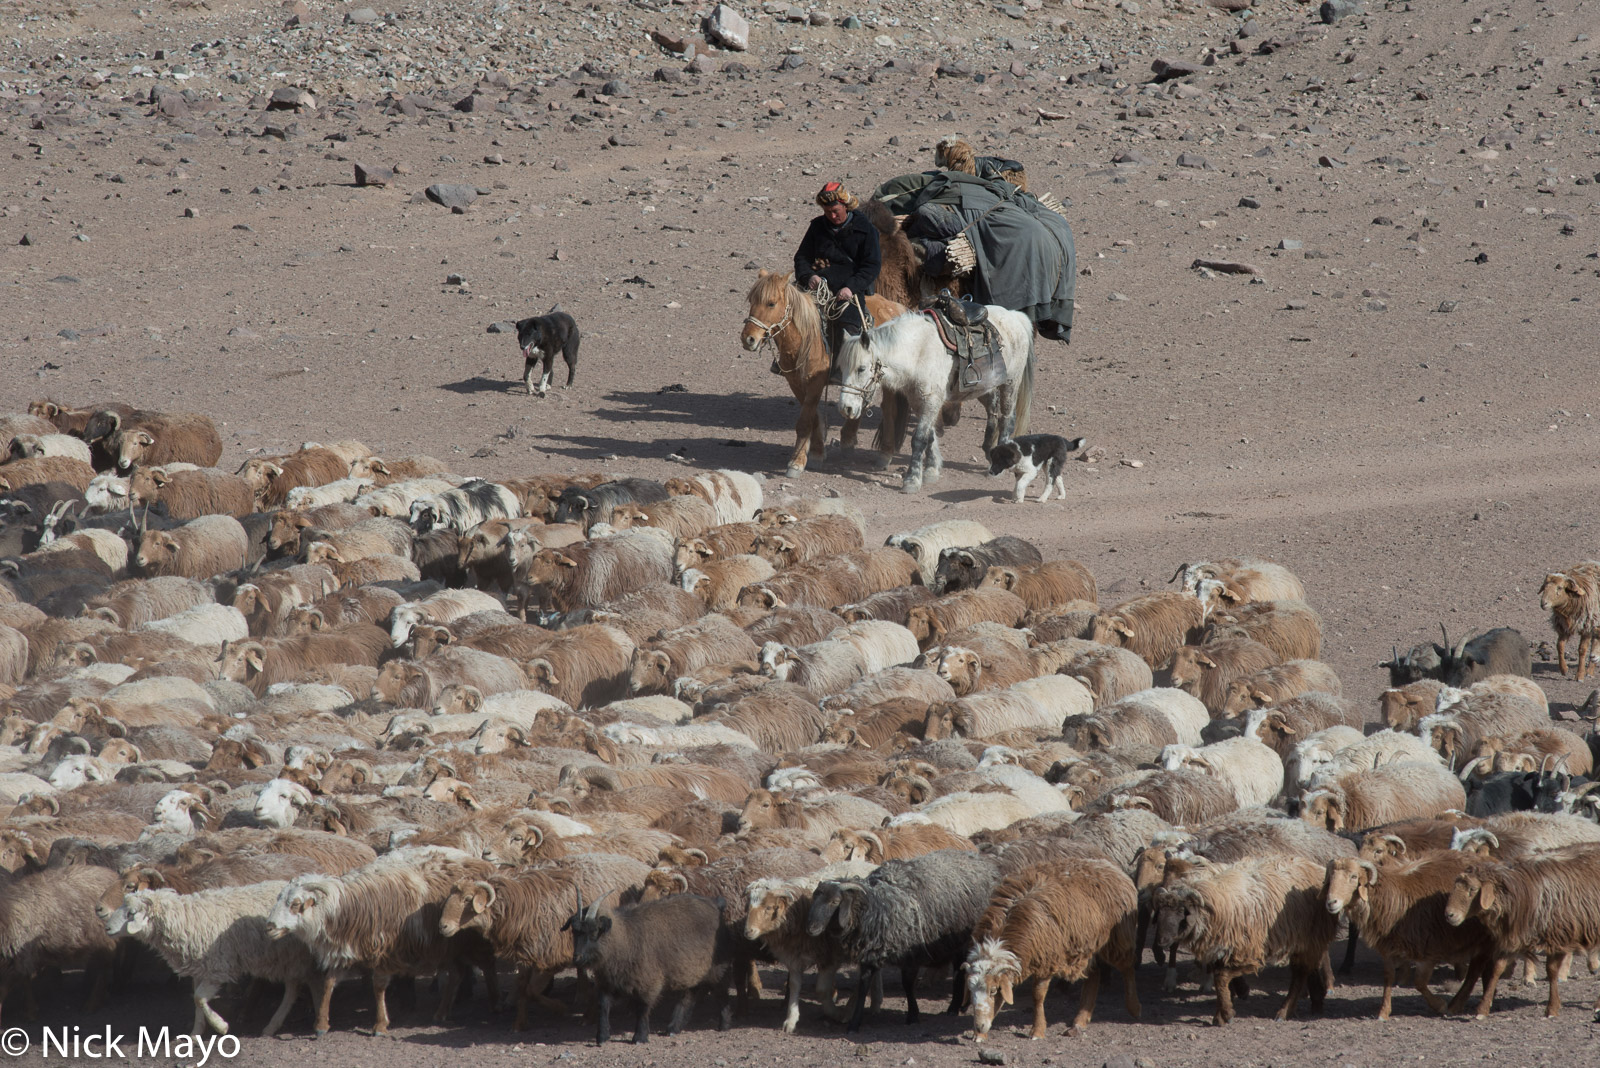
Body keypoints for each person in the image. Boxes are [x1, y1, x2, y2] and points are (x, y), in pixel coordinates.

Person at [793, 181, 881, 381]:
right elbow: (802, 258)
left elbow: (871, 265)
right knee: (790, 311)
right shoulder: (817, 227)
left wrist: (850, 288)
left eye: (835, 211)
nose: (831, 216)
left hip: (850, 286)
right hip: (820, 282)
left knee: (848, 325)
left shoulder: (866, 229)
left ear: (846, 206)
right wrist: (809, 276)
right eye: (827, 212)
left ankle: (842, 368)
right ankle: (788, 361)